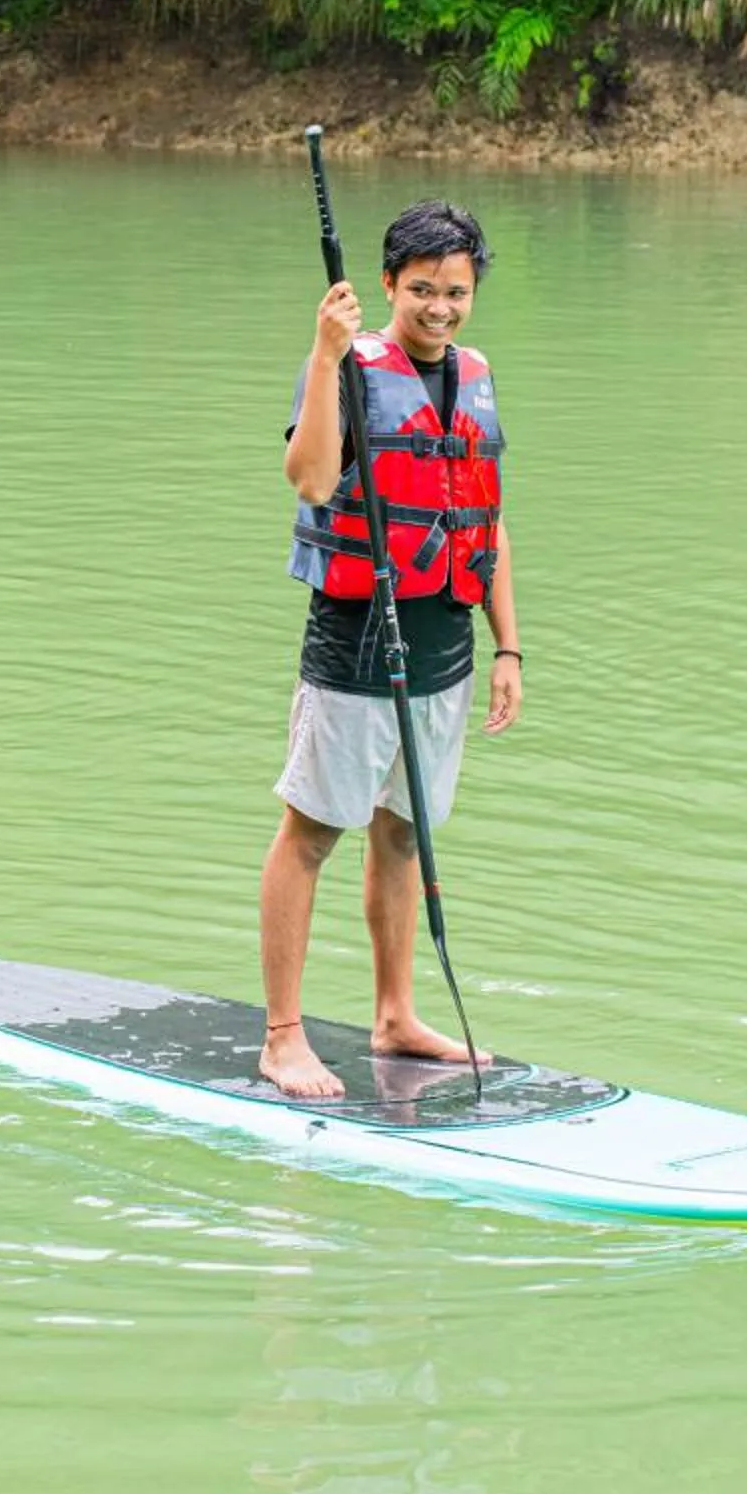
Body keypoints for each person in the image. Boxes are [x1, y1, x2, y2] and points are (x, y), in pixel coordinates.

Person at [259, 199, 523, 1099]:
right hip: (360, 635)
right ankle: (283, 1035)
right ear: (386, 286)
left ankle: (394, 1015)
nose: (439, 307)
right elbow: (312, 481)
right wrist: (328, 354)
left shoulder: (477, 375)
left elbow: (487, 520)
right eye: (421, 290)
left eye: (455, 291)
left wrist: (508, 649)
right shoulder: (347, 365)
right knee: (312, 831)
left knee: (405, 833)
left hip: (444, 640)